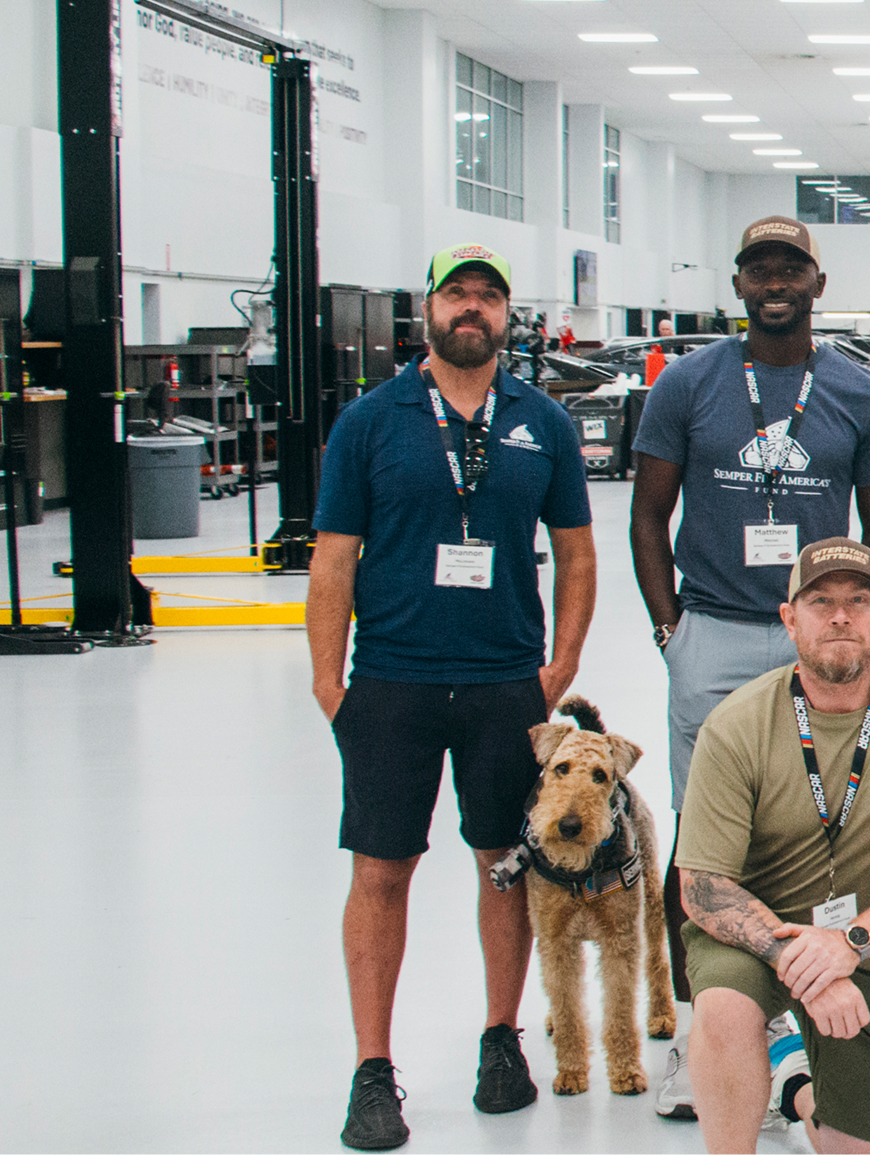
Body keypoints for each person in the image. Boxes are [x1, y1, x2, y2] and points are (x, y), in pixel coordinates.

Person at [310, 243, 596, 1151]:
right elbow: (333, 558)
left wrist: (559, 666)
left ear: (508, 316)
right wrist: (330, 683)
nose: (471, 309)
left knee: (504, 863)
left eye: (488, 297)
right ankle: (371, 1066)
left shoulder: (541, 422)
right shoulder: (372, 420)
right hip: (392, 680)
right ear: (428, 311)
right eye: (456, 294)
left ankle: (500, 1037)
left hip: (505, 682)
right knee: (380, 870)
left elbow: (579, 551)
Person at [631, 215, 870, 1118]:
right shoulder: (687, 383)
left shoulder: (860, 394)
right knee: (701, 843)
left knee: (822, 820)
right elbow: (648, 515)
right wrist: (673, 631)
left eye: (793, 266)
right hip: (714, 628)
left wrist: (851, 622)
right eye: (760, 266)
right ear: (740, 284)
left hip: (818, 638)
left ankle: (804, 1012)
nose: (776, 279)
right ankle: (698, 1031)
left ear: (817, 285)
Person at [675, 538, 870, 1155]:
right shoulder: (735, 724)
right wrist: (806, 966)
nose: (841, 616)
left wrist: (849, 944)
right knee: (728, 1010)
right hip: (753, 941)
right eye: (820, 602)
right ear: (789, 620)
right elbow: (702, 888)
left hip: (866, 946)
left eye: (859, 600)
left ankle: (794, 1087)